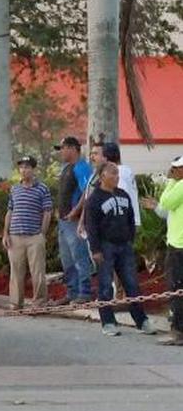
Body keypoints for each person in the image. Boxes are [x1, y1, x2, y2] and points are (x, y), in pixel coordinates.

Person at [84, 162, 157, 336]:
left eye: (117, 173)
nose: (117, 177)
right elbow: (91, 226)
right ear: (102, 176)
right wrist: (95, 250)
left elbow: (130, 218)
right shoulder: (94, 199)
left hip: (124, 246)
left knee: (132, 285)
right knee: (105, 287)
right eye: (113, 174)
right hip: (105, 246)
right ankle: (108, 322)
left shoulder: (123, 194)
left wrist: (130, 238)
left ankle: (141, 321)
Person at [141, 155, 183, 345]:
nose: (173, 171)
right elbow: (167, 211)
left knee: (176, 288)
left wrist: (171, 181)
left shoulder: (180, 186)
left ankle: (178, 331)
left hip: (179, 245)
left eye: (176, 169)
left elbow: (166, 202)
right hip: (176, 243)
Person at [2, 156, 53, 309]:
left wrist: (42, 234)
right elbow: (10, 211)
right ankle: (16, 303)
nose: (24, 170)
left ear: (33, 169)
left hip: (34, 237)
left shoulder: (42, 188)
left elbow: (47, 212)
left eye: (27, 167)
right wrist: (5, 233)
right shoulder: (14, 189)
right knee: (16, 272)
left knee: (37, 272)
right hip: (15, 236)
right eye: (22, 167)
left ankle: (39, 303)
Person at [54, 136, 94, 304]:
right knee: (67, 258)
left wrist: (75, 212)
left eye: (62, 148)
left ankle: (84, 293)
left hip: (75, 222)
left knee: (79, 256)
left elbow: (87, 192)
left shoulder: (82, 167)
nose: (61, 152)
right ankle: (72, 292)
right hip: (63, 221)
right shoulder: (66, 168)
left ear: (72, 148)